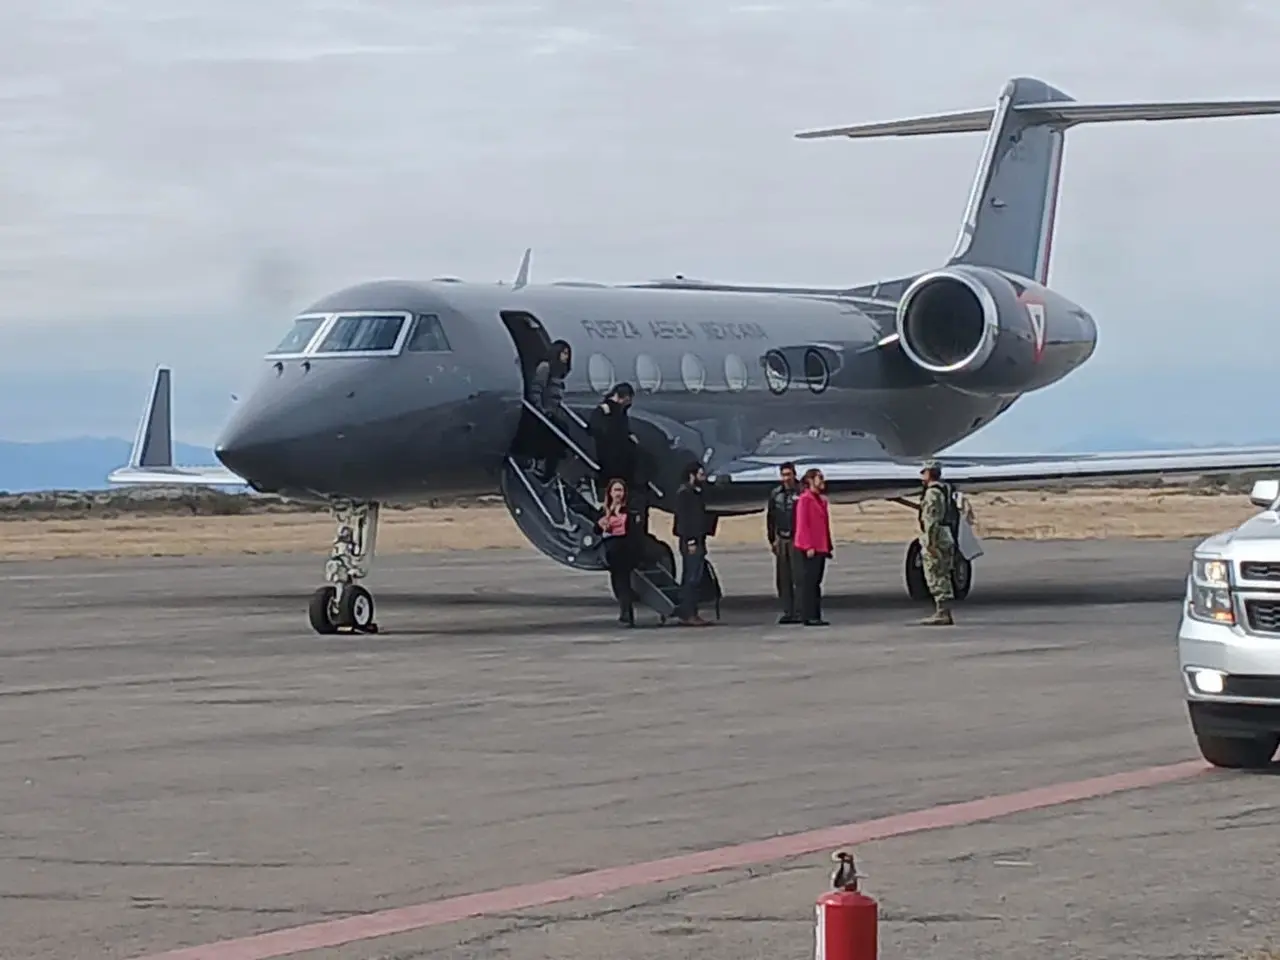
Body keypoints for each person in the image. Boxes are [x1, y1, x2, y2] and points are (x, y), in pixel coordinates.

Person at [917, 459, 957, 626]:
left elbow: (931, 520)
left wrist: (931, 544)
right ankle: (943, 611)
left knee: (936, 572)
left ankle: (942, 612)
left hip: (937, 537)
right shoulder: (944, 489)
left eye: (923, 472)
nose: (921, 476)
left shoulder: (933, 493)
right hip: (944, 535)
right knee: (943, 572)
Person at [672, 460, 712, 627]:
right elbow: (685, 520)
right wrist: (691, 540)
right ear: (692, 475)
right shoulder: (685, 494)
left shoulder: (696, 493)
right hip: (691, 540)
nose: (703, 477)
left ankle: (690, 611)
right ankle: (688, 613)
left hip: (698, 538)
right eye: (700, 474)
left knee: (695, 575)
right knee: (691, 577)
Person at [597, 478, 641, 626]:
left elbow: (633, 531)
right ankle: (624, 612)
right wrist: (602, 522)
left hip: (624, 549)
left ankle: (627, 614)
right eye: (615, 490)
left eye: (620, 490)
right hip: (611, 550)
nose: (618, 494)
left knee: (623, 584)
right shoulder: (604, 509)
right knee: (617, 584)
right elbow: (596, 529)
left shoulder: (628, 510)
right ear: (610, 492)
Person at [793, 467, 833, 627]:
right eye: (819, 478)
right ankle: (808, 615)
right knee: (809, 583)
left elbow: (824, 525)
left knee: (816, 583)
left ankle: (815, 614)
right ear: (810, 481)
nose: (822, 481)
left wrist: (828, 546)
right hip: (809, 548)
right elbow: (803, 524)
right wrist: (808, 546)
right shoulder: (805, 499)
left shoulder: (821, 500)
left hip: (820, 547)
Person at [529, 340, 573, 483]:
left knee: (558, 441)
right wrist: (540, 409)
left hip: (553, 413)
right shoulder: (545, 367)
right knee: (553, 441)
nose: (566, 357)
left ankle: (549, 471)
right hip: (544, 413)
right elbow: (536, 389)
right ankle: (542, 469)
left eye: (568, 354)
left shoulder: (559, 373)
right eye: (564, 353)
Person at [766, 462, 803, 624]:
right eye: (784, 475)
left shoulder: (802, 493)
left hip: (797, 538)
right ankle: (788, 611)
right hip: (782, 538)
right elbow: (771, 518)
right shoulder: (776, 494)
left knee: (799, 577)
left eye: (789, 474)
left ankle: (801, 610)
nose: (786, 478)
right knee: (783, 577)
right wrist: (773, 539)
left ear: (794, 475)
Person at [588, 382, 637, 487]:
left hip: (620, 454)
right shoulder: (605, 410)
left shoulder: (621, 411)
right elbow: (595, 429)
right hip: (610, 454)